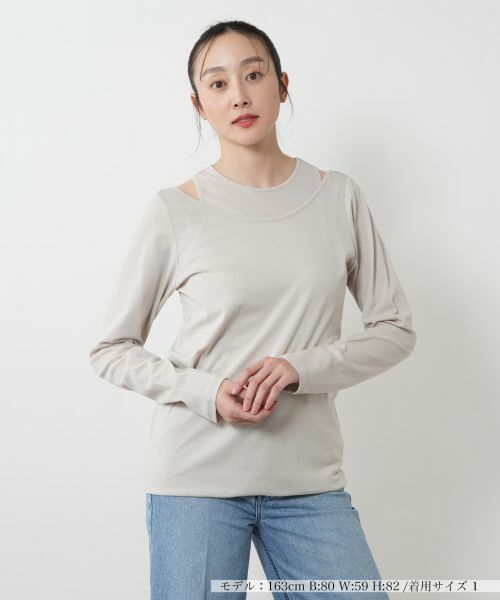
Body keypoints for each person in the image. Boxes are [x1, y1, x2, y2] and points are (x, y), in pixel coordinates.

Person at [88, 19, 417, 600]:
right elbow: (111, 350)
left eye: (254, 75)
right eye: (217, 84)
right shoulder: (175, 211)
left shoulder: (338, 197)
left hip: (309, 484)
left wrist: (299, 368)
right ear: (199, 105)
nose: (238, 95)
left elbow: (394, 330)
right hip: (195, 482)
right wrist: (207, 391)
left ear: (283, 86)